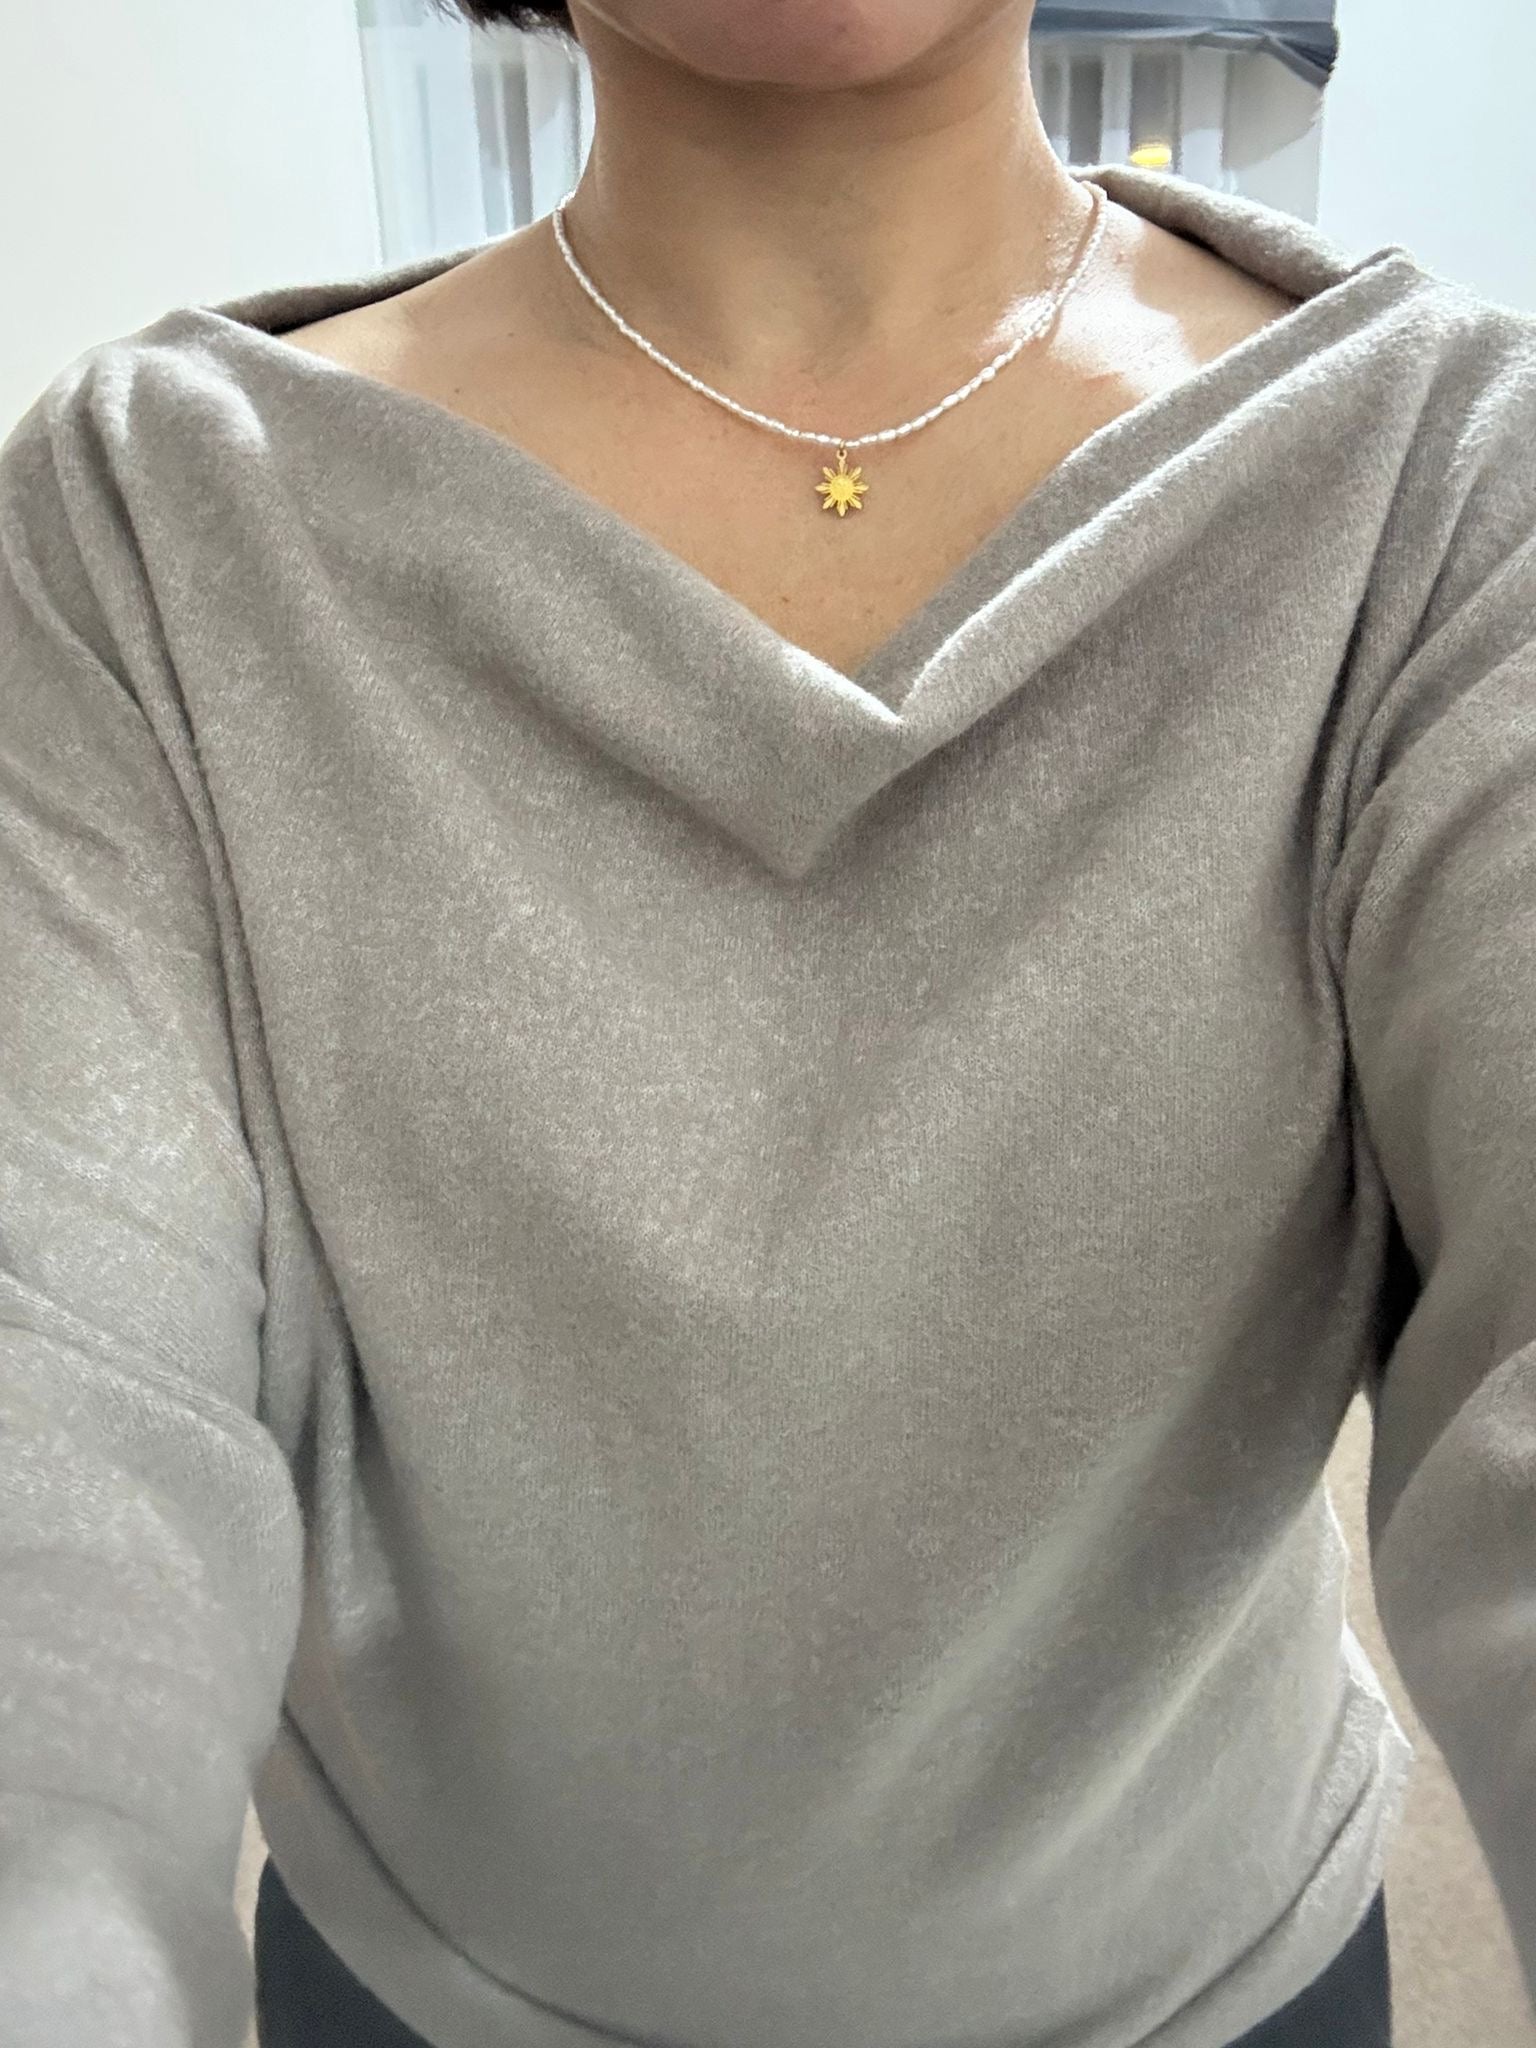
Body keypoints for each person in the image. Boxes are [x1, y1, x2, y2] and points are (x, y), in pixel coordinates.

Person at [1, 1, 1533, 2045]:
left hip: (1219, 1982)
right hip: (421, 1991)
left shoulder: (1436, 485)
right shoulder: (146, 530)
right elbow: (55, 1425)